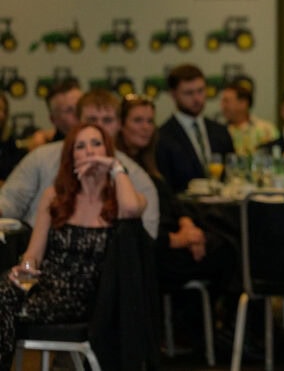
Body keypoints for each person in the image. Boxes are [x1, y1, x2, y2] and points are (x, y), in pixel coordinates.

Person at [0, 122, 147, 368]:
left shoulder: (122, 198)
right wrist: (22, 271)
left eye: (96, 144)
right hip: (44, 287)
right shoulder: (54, 196)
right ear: (71, 156)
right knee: (4, 291)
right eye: (81, 146)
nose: (89, 151)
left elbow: (132, 209)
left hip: (85, 299)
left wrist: (115, 167)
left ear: (108, 150)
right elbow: (33, 254)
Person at [0, 89, 160, 239]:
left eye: (107, 120)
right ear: (77, 121)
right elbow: (9, 202)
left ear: (119, 124)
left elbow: (147, 236)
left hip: (109, 260)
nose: (98, 126)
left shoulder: (136, 175)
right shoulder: (41, 157)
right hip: (41, 251)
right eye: (91, 120)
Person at [117, 94, 235, 288]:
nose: (146, 127)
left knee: (223, 240)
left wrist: (188, 228)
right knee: (227, 251)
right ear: (121, 125)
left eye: (149, 121)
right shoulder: (121, 168)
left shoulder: (150, 164)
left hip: (173, 240)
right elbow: (132, 224)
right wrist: (176, 240)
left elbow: (172, 203)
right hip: (151, 252)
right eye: (137, 120)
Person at [156, 64, 234, 193]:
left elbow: (231, 174)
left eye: (201, 91)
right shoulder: (163, 136)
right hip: (184, 209)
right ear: (173, 94)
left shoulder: (220, 131)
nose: (197, 98)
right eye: (189, 93)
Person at [220, 81, 278, 156]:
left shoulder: (267, 129)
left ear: (243, 103)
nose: (222, 106)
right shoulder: (220, 132)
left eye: (226, 101)